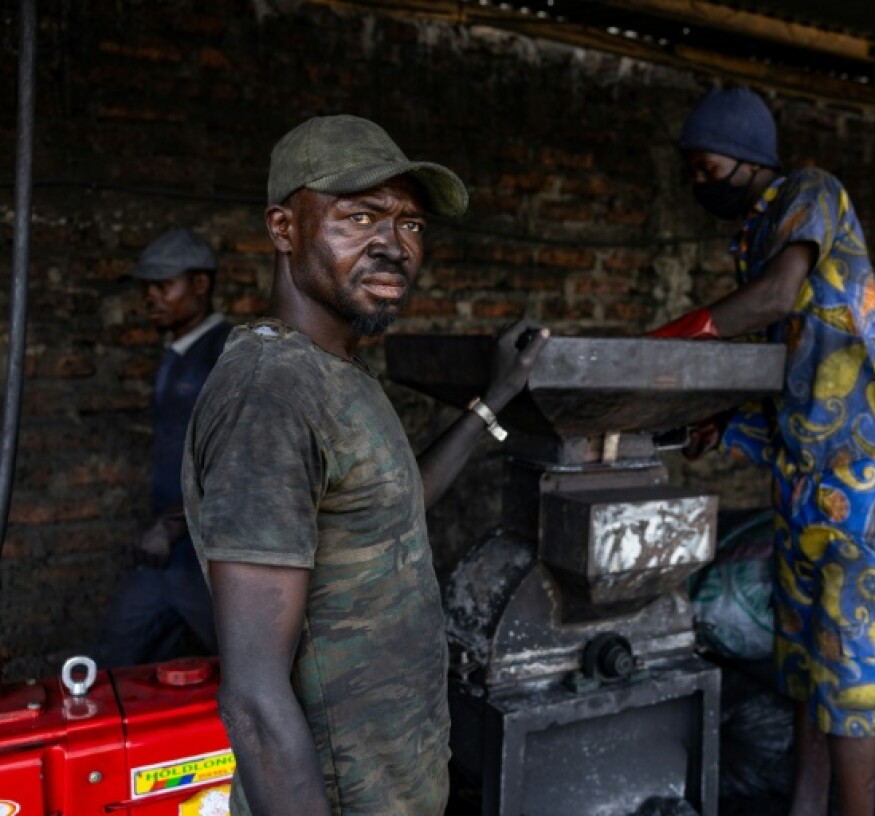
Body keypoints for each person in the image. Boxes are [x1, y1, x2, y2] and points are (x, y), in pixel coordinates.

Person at [183, 114, 549, 816]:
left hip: (396, 784)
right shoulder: (272, 390)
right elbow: (255, 699)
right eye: (360, 216)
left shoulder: (334, 371)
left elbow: (394, 500)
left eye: (411, 224)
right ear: (284, 228)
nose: (393, 245)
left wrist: (494, 399)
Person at [648, 87, 875, 816]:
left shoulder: (809, 192)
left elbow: (777, 300)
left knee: (849, 663)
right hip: (801, 474)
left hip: (856, 468)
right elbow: (791, 367)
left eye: (706, 167)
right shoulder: (756, 230)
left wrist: (664, 345)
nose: (698, 183)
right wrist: (727, 424)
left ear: (746, 158)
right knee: (802, 660)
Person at [93, 228, 231, 667]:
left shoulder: (225, 354)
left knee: (252, 675)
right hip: (165, 558)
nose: (150, 296)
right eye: (146, 287)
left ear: (200, 284)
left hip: (214, 561)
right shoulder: (177, 352)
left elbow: (234, 459)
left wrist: (172, 525)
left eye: (163, 285)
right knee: (117, 662)